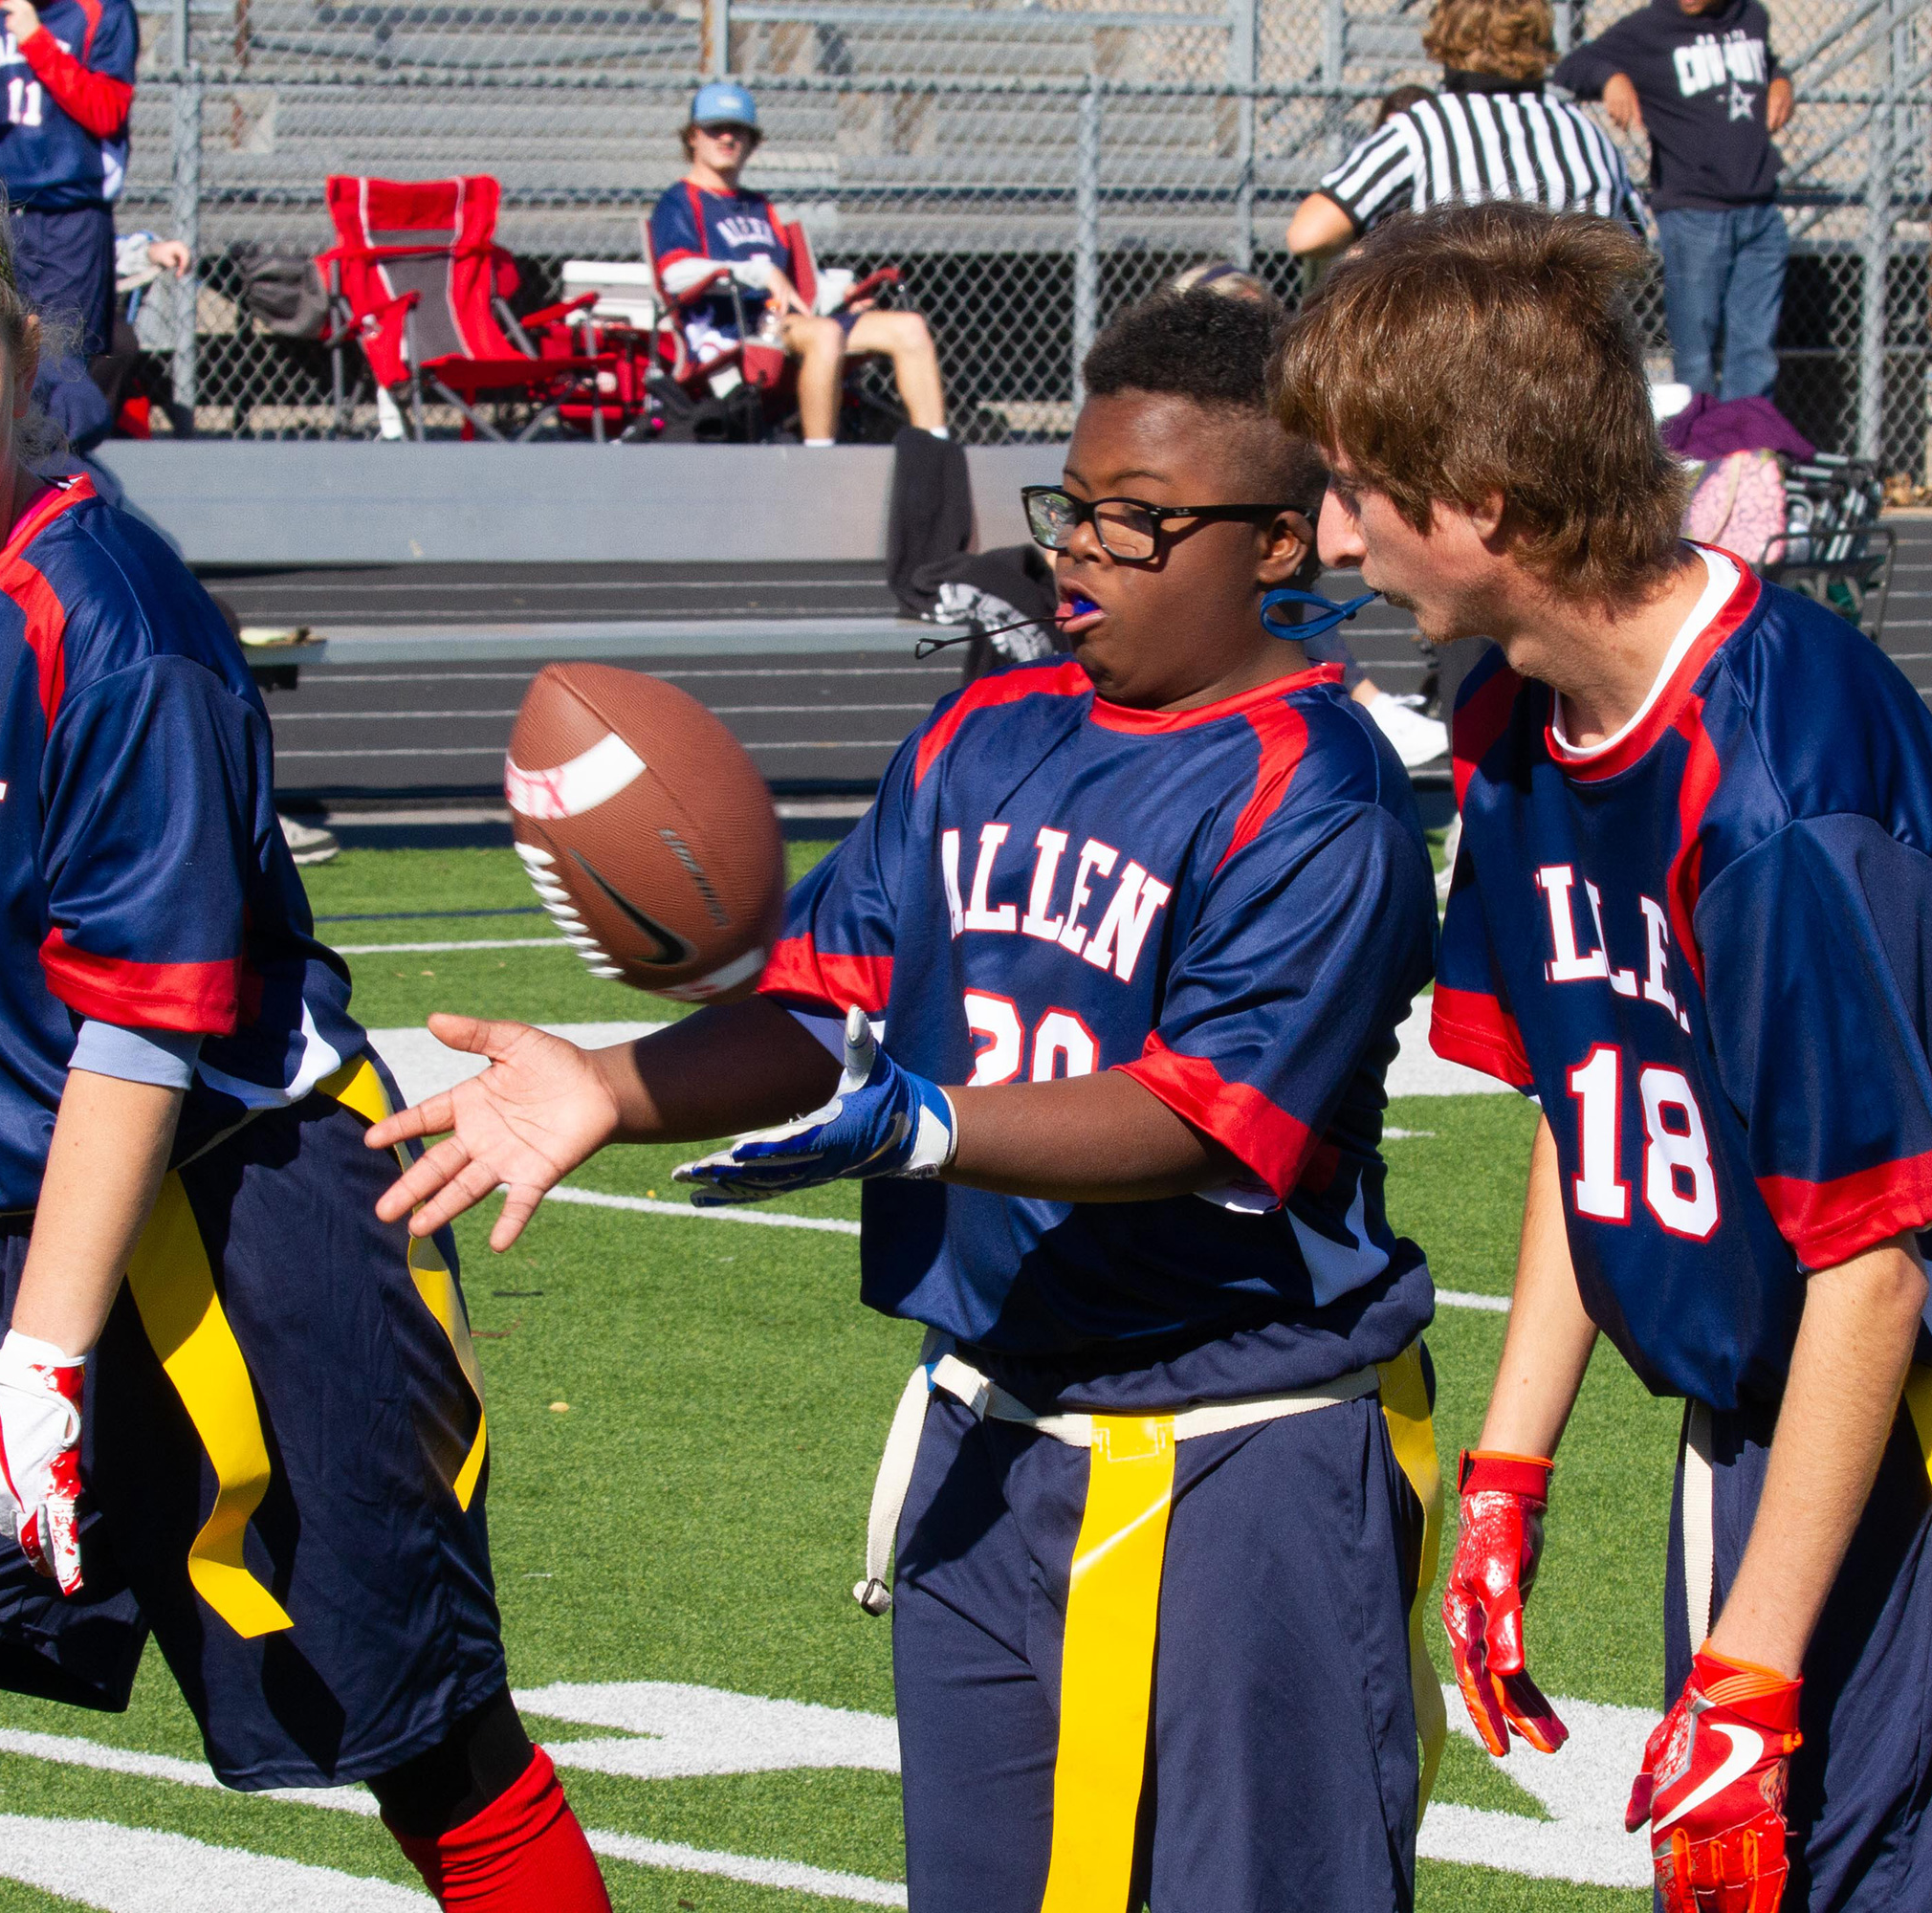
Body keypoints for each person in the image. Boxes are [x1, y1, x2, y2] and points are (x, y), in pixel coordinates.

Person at [364, 291, 1444, 1912]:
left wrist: (926, 1125)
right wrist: (609, 1084)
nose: (1081, 554)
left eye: (1140, 523)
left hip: (1238, 1453)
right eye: (1073, 507)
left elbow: (1202, 1118)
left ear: (1278, 545)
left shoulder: (1323, 792)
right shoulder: (986, 728)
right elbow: (826, 1008)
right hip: (992, 1438)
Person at [0, 162, 609, 1913]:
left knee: (425, 1744)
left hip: (248, 1235)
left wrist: (47, 1363)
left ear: (27, 362)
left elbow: (138, 1040)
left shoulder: (117, 621)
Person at [1279, 201, 1932, 1913]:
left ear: (1485, 503)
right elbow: (1594, 1100)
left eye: (1361, 488)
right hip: (1766, 1400)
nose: (1333, 533)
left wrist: (1750, 1677)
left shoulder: (1779, 798)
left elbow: (1878, 1260)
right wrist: (1511, 1471)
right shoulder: (1519, 709)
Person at [651, 80, 947, 446]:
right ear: (693, 137)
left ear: (752, 142)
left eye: (738, 131)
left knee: (909, 328)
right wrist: (758, 273)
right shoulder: (679, 201)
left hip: (787, 322)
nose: (727, 138)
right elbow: (675, 275)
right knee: (826, 334)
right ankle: (819, 455)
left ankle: (937, 453)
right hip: (734, 331)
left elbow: (794, 283)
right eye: (716, 129)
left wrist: (841, 295)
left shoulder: (760, 205)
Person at [1556, 0, 1794, 400]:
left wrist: (1781, 80)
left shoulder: (1752, 16)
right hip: (1693, 216)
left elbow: (1766, 63)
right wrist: (1612, 77)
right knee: (1694, 356)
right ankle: (1696, 439)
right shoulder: (1651, 27)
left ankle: (1746, 439)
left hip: (1760, 212)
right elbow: (1572, 67)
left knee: (1756, 353)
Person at [1285, 0, 1645, 262]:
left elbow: (1308, 234)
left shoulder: (1427, 126)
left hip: (1461, 337)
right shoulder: (1587, 134)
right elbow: (1634, 246)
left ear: (1447, 40)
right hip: (1573, 339)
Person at [0, 0, 136, 359]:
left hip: (70, 213)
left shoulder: (105, 10)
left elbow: (107, 112)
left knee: (65, 359)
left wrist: (35, 40)